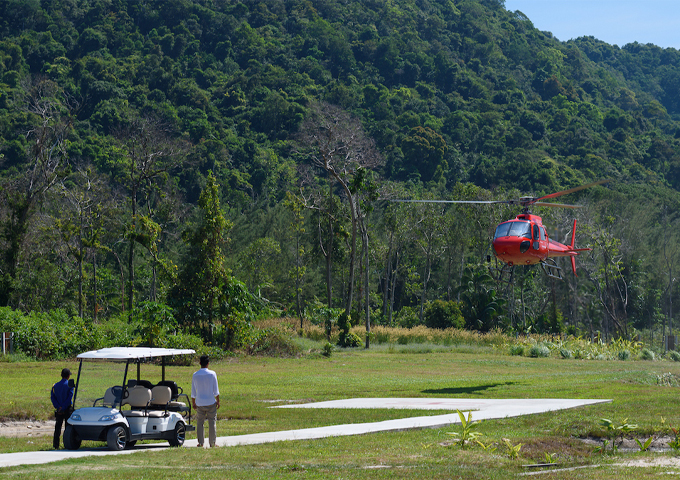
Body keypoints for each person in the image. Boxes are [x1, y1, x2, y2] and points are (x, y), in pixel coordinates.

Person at [191, 355, 220, 448]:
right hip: (210, 401)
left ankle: (200, 442)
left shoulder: (195, 375)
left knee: (200, 422)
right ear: (208, 363)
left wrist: (193, 402)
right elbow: (216, 390)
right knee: (212, 422)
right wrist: (218, 401)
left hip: (199, 402)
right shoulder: (212, 374)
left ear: (199, 363)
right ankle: (212, 442)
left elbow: (193, 391)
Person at [51, 367, 73, 449]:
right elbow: (69, 398)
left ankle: (55, 445)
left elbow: (52, 397)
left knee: (57, 428)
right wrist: (63, 407)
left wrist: (58, 407)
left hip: (59, 409)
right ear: (68, 376)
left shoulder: (55, 385)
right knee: (68, 428)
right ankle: (67, 443)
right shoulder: (69, 385)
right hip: (67, 409)